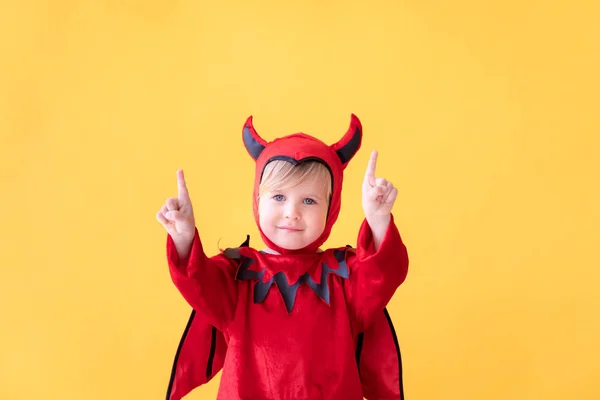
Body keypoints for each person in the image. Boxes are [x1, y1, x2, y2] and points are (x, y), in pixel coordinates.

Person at [156, 114, 409, 400]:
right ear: (257, 200)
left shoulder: (346, 277)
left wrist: (378, 221)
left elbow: (382, 275)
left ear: (332, 207)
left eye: (309, 200)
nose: (292, 212)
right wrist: (183, 237)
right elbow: (197, 282)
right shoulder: (236, 276)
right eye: (278, 197)